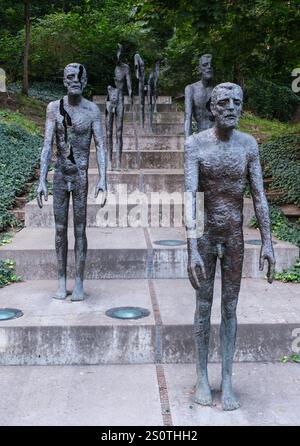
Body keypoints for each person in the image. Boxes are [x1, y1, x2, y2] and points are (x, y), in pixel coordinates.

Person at [184, 82, 275, 410]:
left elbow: (259, 196)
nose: (232, 107)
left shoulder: (248, 145)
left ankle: (228, 378)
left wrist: (267, 242)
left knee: (231, 308)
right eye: (224, 102)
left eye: (237, 102)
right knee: (204, 305)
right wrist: (192, 246)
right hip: (207, 237)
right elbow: (191, 198)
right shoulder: (195, 145)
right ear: (211, 108)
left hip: (234, 237)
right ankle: (202, 376)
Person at [37, 63, 107, 301]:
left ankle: (78, 282)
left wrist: (103, 179)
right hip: (60, 175)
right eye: (70, 77)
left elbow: (101, 146)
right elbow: (47, 145)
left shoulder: (92, 111)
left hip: (80, 176)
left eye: (79, 77)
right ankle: (60, 281)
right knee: (59, 230)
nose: (74, 80)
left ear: (84, 81)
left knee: (79, 230)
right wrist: (41, 180)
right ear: (64, 81)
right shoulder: (53, 109)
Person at [184, 54, 214, 139]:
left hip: (219, 138)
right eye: (205, 65)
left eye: (211, 65)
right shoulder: (191, 89)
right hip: (201, 136)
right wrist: (187, 142)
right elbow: (187, 118)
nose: (209, 67)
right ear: (199, 69)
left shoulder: (219, 90)